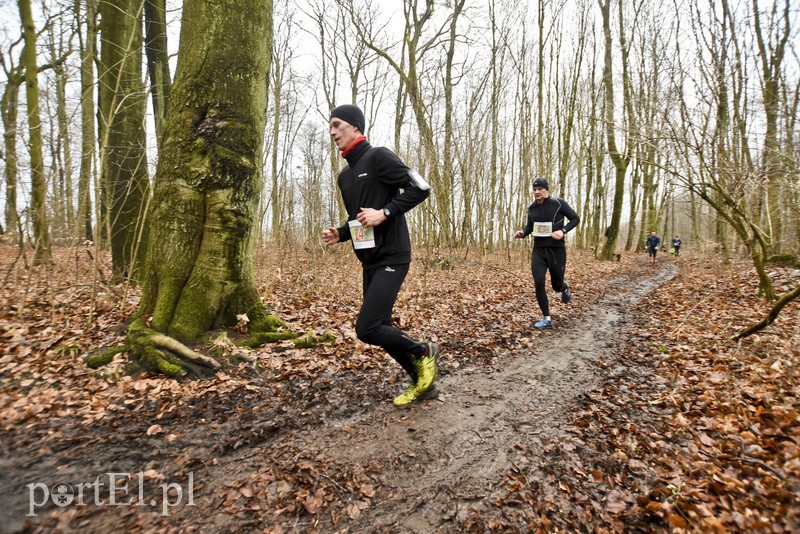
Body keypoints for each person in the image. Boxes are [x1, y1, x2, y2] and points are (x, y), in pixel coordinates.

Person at [322, 104, 440, 408]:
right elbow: (360, 218)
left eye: (337, 125)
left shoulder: (379, 157)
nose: (333, 132)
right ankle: (422, 385)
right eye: (330, 127)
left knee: (367, 328)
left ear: (356, 128)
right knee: (382, 329)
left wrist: (386, 212)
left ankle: (424, 350)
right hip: (369, 260)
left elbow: (421, 188)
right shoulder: (344, 178)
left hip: (393, 255)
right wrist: (341, 233)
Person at [514, 177, 580, 328]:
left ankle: (564, 286)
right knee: (538, 282)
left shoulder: (558, 203)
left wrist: (563, 231)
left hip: (556, 250)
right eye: (535, 189)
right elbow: (530, 226)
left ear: (546, 190)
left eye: (540, 189)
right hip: (539, 251)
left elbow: (575, 219)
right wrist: (523, 233)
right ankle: (546, 317)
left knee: (556, 285)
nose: (537, 192)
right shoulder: (532, 208)